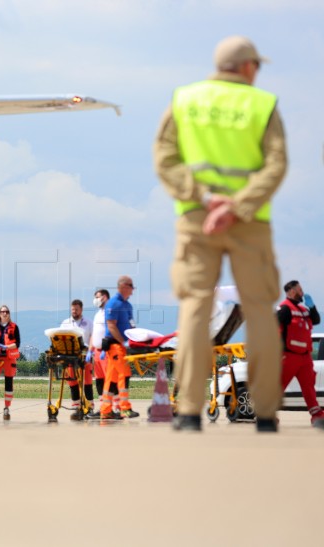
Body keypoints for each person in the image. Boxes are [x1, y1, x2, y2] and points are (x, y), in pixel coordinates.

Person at [154, 35, 287, 432]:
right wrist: (238, 205)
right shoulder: (262, 104)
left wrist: (204, 198)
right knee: (260, 311)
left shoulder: (185, 100)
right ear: (247, 66)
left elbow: (165, 158)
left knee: (195, 309)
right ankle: (264, 412)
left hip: (197, 218)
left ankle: (190, 410)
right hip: (250, 222)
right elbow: (276, 164)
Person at [276, 280, 324, 429]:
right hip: (288, 356)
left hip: (305, 358)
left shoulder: (303, 310)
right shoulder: (284, 308)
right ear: (291, 291)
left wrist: (312, 307)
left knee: (309, 387)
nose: (302, 292)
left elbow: (315, 320)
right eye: (299, 290)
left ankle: (317, 415)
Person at [94, 276, 139, 420]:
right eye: (131, 287)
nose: (132, 291)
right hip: (115, 346)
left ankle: (106, 410)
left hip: (123, 346)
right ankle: (124, 408)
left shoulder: (128, 306)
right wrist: (123, 342)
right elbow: (111, 326)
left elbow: (131, 325)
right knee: (124, 375)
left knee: (111, 379)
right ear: (123, 287)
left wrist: (135, 340)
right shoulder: (113, 303)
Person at [60, 299, 94, 417]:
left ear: (81, 309)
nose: (74, 311)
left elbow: (92, 338)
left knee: (87, 382)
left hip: (85, 356)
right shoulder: (65, 323)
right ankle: (77, 407)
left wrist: (90, 351)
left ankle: (90, 408)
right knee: (72, 382)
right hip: (70, 356)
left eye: (77, 309)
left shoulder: (89, 323)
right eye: (73, 309)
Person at [88, 289, 119, 412]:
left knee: (111, 379)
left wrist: (106, 347)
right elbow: (94, 333)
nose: (95, 299)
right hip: (97, 351)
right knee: (100, 380)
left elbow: (112, 330)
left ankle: (116, 407)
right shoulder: (98, 314)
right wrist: (90, 350)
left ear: (105, 297)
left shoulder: (110, 311)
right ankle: (104, 406)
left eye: (97, 297)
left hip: (107, 350)